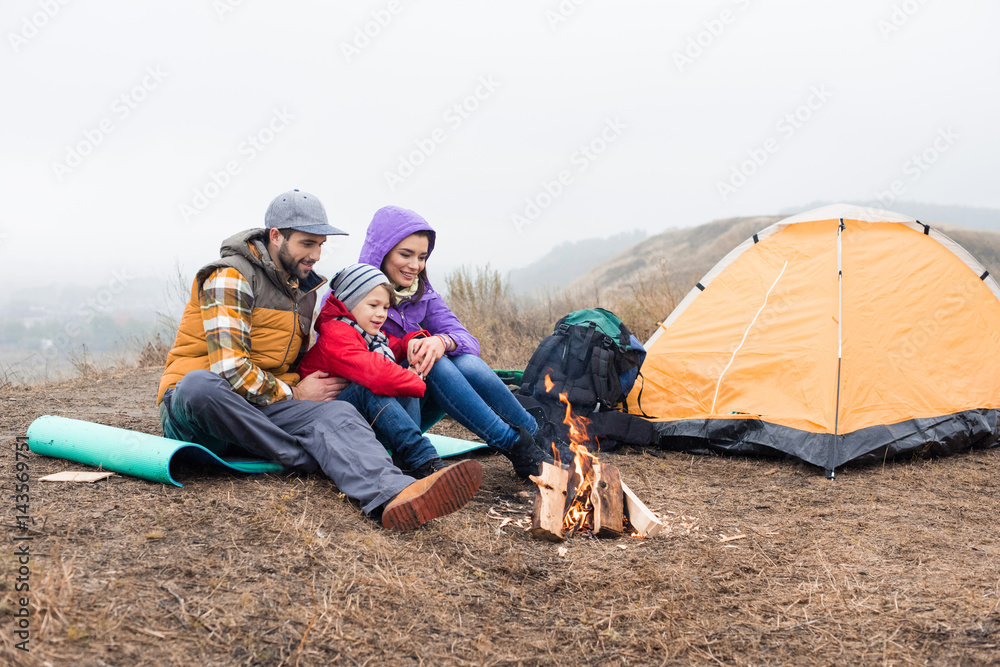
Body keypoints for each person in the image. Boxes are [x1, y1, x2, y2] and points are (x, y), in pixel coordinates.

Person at [156, 189, 481, 530]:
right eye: (307, 244)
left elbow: (292, 362)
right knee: (199, 385)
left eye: (321, 244)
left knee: (336, 412)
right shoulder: (230, 278)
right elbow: (231, 370)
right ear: (276, 236)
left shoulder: (303, 291)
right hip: (207, 407)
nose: (316, 254)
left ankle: (395, 495)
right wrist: (294, 394)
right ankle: (306, 456)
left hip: (263, 410)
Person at [358, 205, 558, 479]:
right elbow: (354, 365)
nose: (415, 265)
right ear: (381, 252)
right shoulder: (352, 296)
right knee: (432, 362)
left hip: (411, 400)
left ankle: (536, 435)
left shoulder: (421, 293)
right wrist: (415, 350)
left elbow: (468, 342)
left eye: (422, 256)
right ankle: (515, 446)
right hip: (374, 414)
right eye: (405, 254)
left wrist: (443, 341)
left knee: (462, 360)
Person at [297, 263, 449, 478]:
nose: (381, 314)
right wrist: (415, 380)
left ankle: (406, 457)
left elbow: (393, 346)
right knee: (371, 386)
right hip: (325, 422)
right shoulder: (336, 332)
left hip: (351, 417)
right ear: (349, 303)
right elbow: (374, 372)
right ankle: (422, 458)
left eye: (385, 308)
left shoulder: (367, 333)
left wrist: (411, 344)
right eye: (373, 305)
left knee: (406, 367)